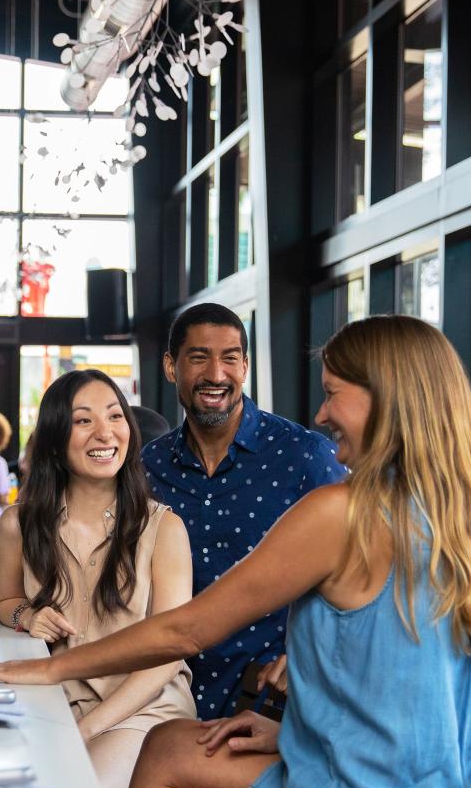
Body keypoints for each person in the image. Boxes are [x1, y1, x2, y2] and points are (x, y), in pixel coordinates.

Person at [0, 315, 471, 788]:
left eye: (334, 390)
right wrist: (296, 732)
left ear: (386, 399)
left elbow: (186, 632)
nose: (319, 413)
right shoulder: (456, 514)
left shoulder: (343, 513)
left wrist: (48, 667)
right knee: (173, 747)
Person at [0, 369, 195, 788]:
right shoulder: (17, 525)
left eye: (115, 416)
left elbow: (169, 655)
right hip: (55, 702)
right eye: (83, 421)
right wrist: (26, 615)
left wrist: (84, 730)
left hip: (143, 710)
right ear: (56, 438)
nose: (105, 432)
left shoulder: (164, 529)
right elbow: (3, 600)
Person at [140, 303, 346, 717]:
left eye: (230, 358)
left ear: (245, 366)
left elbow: (359, 568)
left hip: (275, 699)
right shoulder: (148, 466)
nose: (216, 375)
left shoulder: (304, 456)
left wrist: (314, 651)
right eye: (199, 358)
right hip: (162, 689)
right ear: (169, 366)